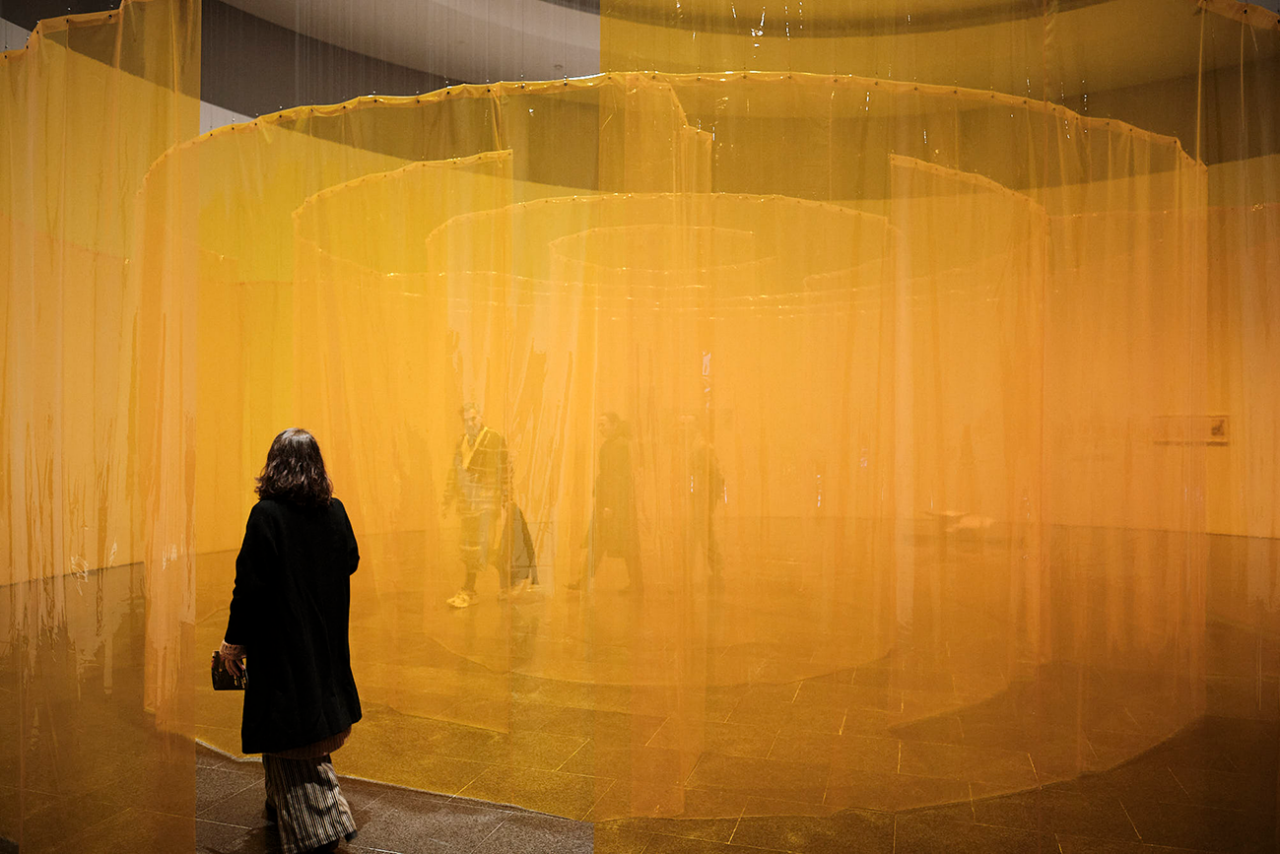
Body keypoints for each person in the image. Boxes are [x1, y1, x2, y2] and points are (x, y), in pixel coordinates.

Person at [218, 428, 361, 854]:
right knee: (300, 723)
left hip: (283, 649)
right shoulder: (335, 510)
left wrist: (233, 643)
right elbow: (350, 559)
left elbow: (249, 588)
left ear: (274, 465)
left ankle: (322, 827)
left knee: (290, 728)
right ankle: (277, 802)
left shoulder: (266, 515)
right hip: (324, 642)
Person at [441, 403, 511, 608]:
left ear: (481, 417)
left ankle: (469, 590)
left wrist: (506, 498)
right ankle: (507, 581)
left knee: (479, 546)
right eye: (466, 420)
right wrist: (447, 499)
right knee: (474, 548)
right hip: (467, 505)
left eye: (473, 419)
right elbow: (455, 472)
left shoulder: (494, 439)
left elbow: (505, 469)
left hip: (486, 503)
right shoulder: (462, 441)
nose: (470, 423)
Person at [568, 412, 642, 593]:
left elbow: (618, 478)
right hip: (611, 502)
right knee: (601, 541)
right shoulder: (612, 445)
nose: (600, 429)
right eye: (599, 425)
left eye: (603, 424)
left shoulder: (618, 446)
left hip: (615, 504)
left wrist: (611, 505)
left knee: (622, 543)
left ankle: (636, 584)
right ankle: (585, 580)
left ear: (614, 425)